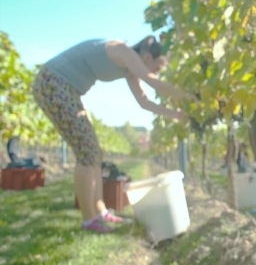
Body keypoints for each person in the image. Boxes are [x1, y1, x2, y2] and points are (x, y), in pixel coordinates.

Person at [32, 35, 192, 233]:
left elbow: (144, 102)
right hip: (53, 84)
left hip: (67, 90)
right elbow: (154, 83)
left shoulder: (130, 69)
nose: (157, 72)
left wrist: (176, 114)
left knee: (94, 153)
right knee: (87, 152)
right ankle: (88, 219)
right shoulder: (123, 50)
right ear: (148, 57)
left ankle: (100, 211)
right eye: (158, 67)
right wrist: (190, 95)